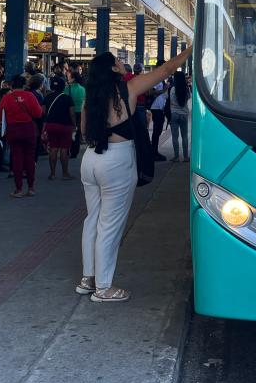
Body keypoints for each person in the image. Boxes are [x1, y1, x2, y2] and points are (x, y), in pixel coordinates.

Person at [77, 45, 192, 303]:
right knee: (110, 225)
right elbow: (166, 70)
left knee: (92, 220)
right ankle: (104, 288)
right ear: (113, 69)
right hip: (116, 161)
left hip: (90, 160)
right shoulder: (127, 89)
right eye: (118, 60)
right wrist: (190, 50)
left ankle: (88, 279)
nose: (121, 62)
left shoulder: (90, 95)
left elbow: (84, 129)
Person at [0, 76, 42, 197]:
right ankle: (31, 188)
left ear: (12, 86)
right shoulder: (30, 96)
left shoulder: (6, 98)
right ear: (24, 85)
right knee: (30, 158)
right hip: (28, 129)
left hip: (13, 130)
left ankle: (18, 189)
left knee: (17, 158)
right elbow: (38, 113)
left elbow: (0, 115)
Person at [42, 76, 75, 180]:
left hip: (51, 125)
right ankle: (65, 174)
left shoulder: (47, 97)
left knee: (53, 148)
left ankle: (52, 174)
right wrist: (74, 125)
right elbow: (72, 113)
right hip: (65, 126)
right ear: (63, 86)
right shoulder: (67, 98)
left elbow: (43, 112)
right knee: (64, 149)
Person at [168, 70, 191, 162]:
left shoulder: (173, 89)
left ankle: (176, 156)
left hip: (174, 113)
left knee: (175, 136)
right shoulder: (187, 89)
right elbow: (188, 98)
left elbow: (171, 101)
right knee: (184, 136)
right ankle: (186, 157)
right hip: (184, 114)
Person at [149, 66, 168, 162]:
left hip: (160, 108)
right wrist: (164, 90)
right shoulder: (156, 79)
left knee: (158, 130)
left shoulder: (160, 79)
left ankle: (154, 151)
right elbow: (150, 91)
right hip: (155, 108)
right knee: (157, 131)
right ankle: (154, 152)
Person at [67, 69, 86, 159]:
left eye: (69, 77)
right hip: (80, 113)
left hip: (69, 112)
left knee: (68, 132)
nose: (68, 79)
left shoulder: (67, 88)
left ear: (73, 79)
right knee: (77, 133)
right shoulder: (82, 89)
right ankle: (75, 152)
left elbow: (64, 100)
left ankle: (67, 150)